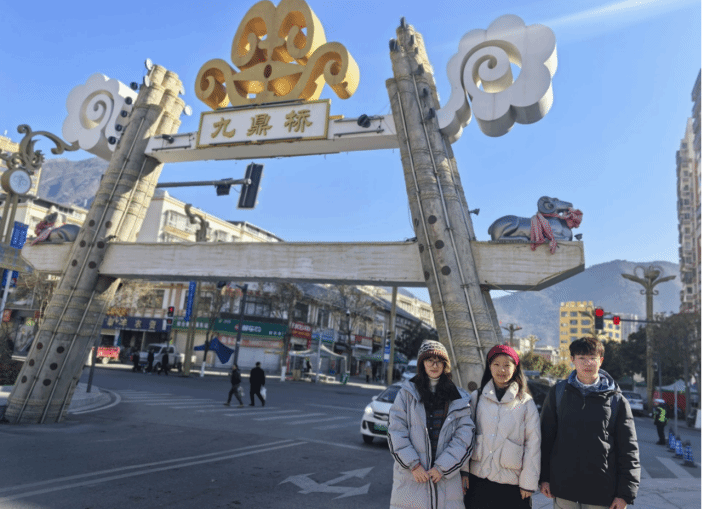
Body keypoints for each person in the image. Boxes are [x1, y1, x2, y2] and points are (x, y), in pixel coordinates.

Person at [540, 337, 640, 509]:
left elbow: (629, 450)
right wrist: (544, 478)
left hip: (602, 494)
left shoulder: (616, 400)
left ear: (601, 360)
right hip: (564, 491)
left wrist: (625, 494)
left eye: (592, 358)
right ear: (572, 359)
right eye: (581, 358)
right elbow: (546, 439)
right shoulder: (558, 393)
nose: (587, 363)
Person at [387, 340, 474, 509]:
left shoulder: (459, 397)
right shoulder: (407, 394)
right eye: (429, 360)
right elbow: (395, 432)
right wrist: (413, 465)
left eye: (439, 361)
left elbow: (465, 438)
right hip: (412, 477)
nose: (434, 365)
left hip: (446, 479)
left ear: (445, 365)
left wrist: (442, 467)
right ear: (422, 363)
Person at [464, 344, 540, 509]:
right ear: (489, 367)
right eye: (496, 364)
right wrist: (464, 472)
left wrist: (528, 483)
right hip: (478, 481)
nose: (502, 370)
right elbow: (465, 436)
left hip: (511, 485)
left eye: (507, 365)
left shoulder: (525, 402)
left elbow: (533, 444)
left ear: (515, 368)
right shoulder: (477, 397)